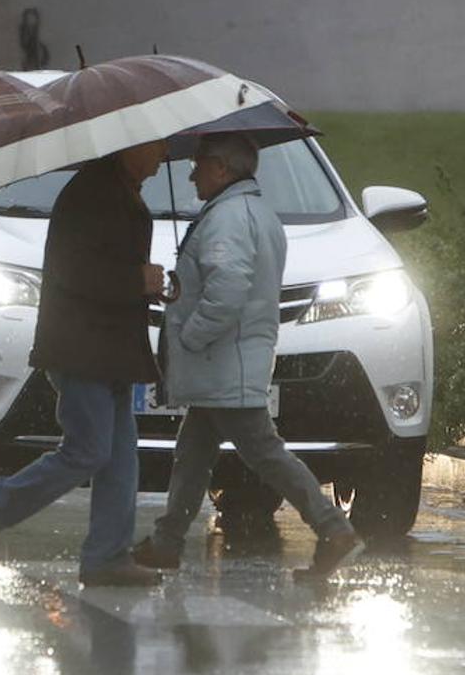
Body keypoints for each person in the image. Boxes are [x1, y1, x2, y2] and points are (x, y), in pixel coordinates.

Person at [130, 132, 359, 581]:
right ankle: (167, 541)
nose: (191, 172)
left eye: (199, 164)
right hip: (228, 365)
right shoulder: (251, 211)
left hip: (224, 365)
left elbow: (228, 291)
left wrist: (191, 337)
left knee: (264, 453)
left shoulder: (228, 218)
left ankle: (333, 529)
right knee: (193, 453)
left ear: (222, 168)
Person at [0, 142, 168, 588]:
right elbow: (76, 273)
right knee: (89, 450)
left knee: (120, 458)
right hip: (83, 348)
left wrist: (147, 284)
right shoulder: (93, 195)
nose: (163, 156)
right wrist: (136, 279)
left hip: (110, 349)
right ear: (131, 145)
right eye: (158, 146)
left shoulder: (118, 189)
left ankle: (108, 555)